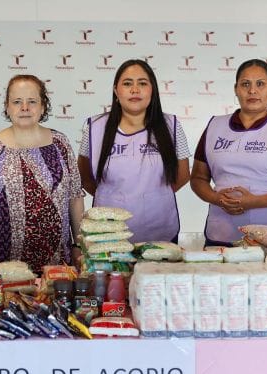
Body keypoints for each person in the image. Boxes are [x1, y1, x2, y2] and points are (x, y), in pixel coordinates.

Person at [190, 58, 267, 246]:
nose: (252, 91)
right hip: (221, 234)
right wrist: (216, 198)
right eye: (245, 84)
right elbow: (198, 178)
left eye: (260, 84)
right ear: (236, 89)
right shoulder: (215, 126)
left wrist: (256, 202)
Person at [0, 74, 84, 274]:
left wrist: (78, 246)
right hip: (4, 268)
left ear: (43, 106)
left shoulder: (60, 143)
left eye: (32, 101)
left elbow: (75, 197)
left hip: (57, 265)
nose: (24, 108)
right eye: (17, 102)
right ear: (7, 107)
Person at [77, 59, 190, 243]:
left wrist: (153, 197)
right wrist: (114, 197)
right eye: (127, 83)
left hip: (159, 229)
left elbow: (183, 175)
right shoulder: (94, 127)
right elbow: (85, 177)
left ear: (152, 90)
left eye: (142, 83)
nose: (135, 90)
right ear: (116, 91)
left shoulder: (172, 125)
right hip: (109, 232)